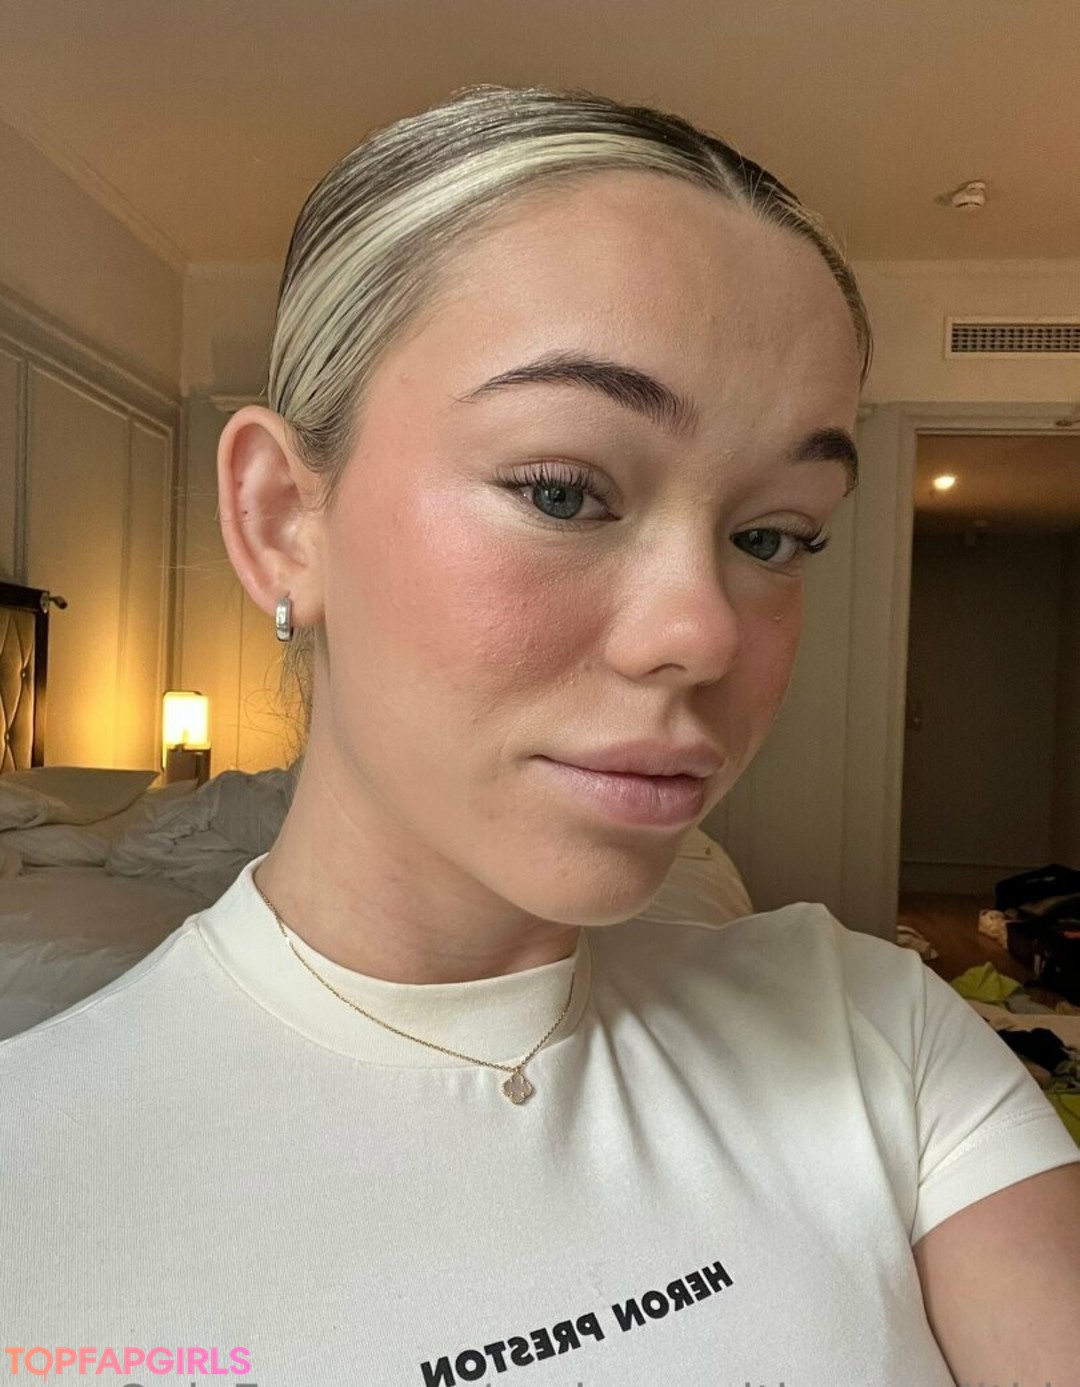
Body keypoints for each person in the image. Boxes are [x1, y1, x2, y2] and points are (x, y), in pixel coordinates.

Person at [2, 84, 1078, 1386]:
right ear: (284, 520)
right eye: (563, 491)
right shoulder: (35, 1187)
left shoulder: (880, 1038)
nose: (706, 633)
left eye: (774, 534)